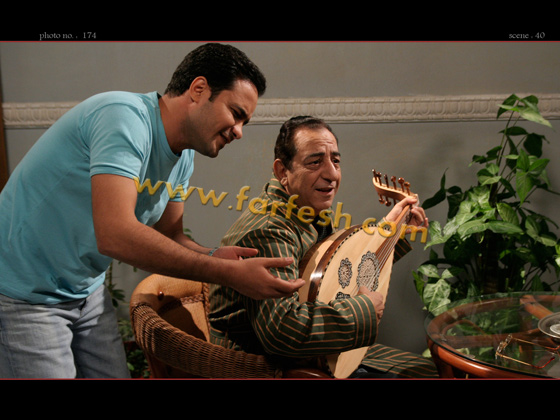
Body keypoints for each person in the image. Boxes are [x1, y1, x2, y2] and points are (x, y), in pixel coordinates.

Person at [0, 43, 304, 379]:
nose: (239, 131)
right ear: (199, 89)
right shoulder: (123, 117)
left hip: (85, 291)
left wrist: (216, 256)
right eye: (236, 113)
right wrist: (226, 274)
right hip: (23, 294)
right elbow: (115, 235)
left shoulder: (183, 156)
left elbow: (171, 236)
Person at [209, 116, 438, 378]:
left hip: (312, 354)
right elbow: (283, 331)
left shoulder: (305, 211)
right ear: (283, 171)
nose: (332, 174)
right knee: (424, 375)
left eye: (335, 161)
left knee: (424, 369)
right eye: (315, 162)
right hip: (270, 368)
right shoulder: (270, 231)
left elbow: (333, 277)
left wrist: (391, 233)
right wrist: (364, 311)